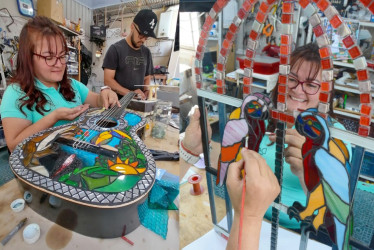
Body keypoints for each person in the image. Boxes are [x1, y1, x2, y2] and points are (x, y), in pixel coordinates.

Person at [0, 16, 120, 152]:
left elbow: (98, 100)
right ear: (28, 58)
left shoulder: (72, 84)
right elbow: (14, 146)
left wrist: (105, 93)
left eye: (62, 56)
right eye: (49, 57)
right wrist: (54, 117)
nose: (59, 64)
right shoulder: (16, 93)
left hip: (77, 156)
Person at [181, 107, 280, 249]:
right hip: (240, 215)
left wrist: (248, 215)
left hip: (290, 229)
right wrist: (197, 147)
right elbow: (228, 160)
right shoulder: (256, 115)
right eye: (292, 82)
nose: (298, 89)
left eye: (311, 85)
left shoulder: (319, 135)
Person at [102, 9, 157, 100]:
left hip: (139, 104)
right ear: (132, 27)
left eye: (146, 37)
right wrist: (130, 94)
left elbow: (147, 77)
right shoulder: (115, 49)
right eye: (141, 35)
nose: (143, 40)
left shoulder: (146, 52)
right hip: (118, 105)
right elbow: (108, 81)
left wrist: (147, 91)